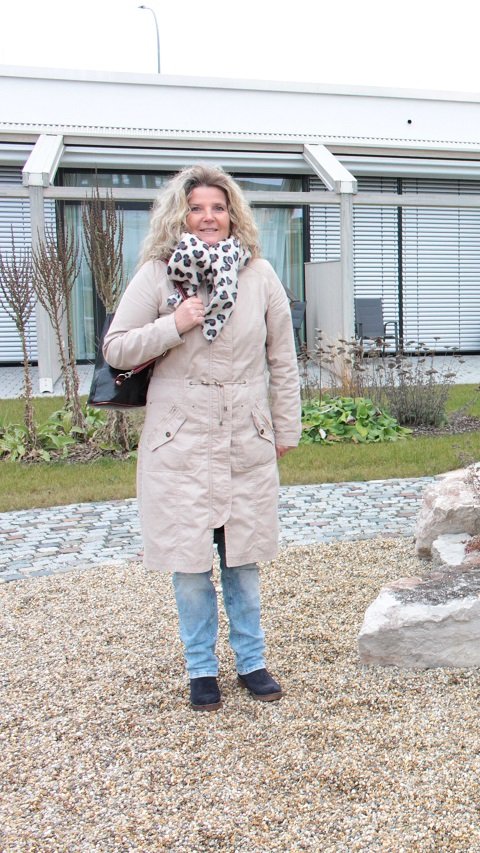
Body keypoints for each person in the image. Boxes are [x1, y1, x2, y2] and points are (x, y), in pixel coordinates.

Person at [103, 164, 301, 712]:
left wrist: (285, 426)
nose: (208, 217)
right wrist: (177, 322)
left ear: (232, 214)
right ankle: (200, 670)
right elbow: (117, 348)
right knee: (190, 563)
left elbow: (282, 357)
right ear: (181, 215)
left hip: (244, 432)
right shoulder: (158, 274)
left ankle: (253, 661)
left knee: (242, 559)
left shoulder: (260, 274)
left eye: (218, 207)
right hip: (180, 439)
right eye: (197, 208)